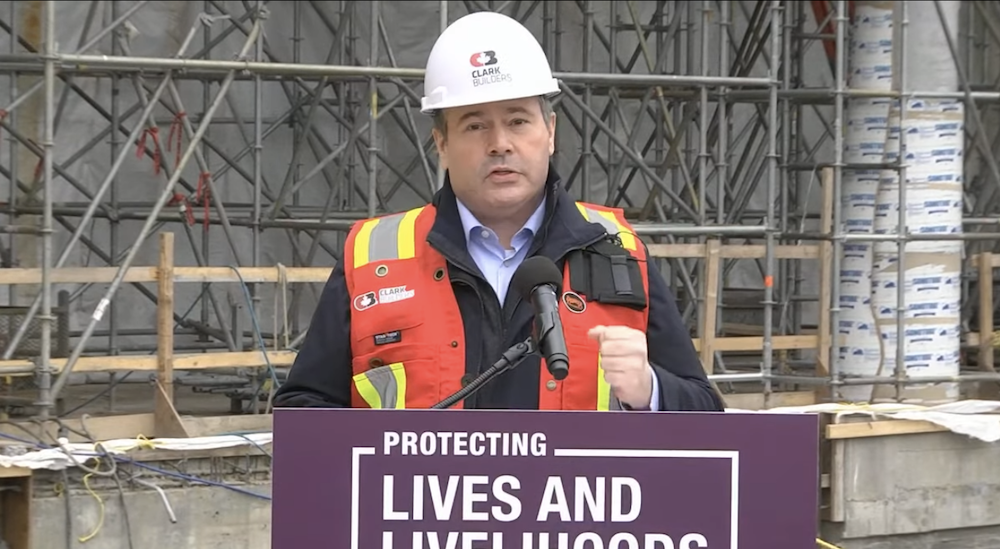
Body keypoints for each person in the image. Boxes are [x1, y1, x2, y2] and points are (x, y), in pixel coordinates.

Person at [272, 11, 724, 412]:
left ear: (549, 132)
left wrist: (650, 390)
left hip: (569, 507)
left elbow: (705, 411)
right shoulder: (373, 257)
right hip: (429, 507)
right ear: (442, 143)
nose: (500, 143)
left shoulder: (616, 249)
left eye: (518, 120)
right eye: (474, 124)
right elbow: (304, 410)